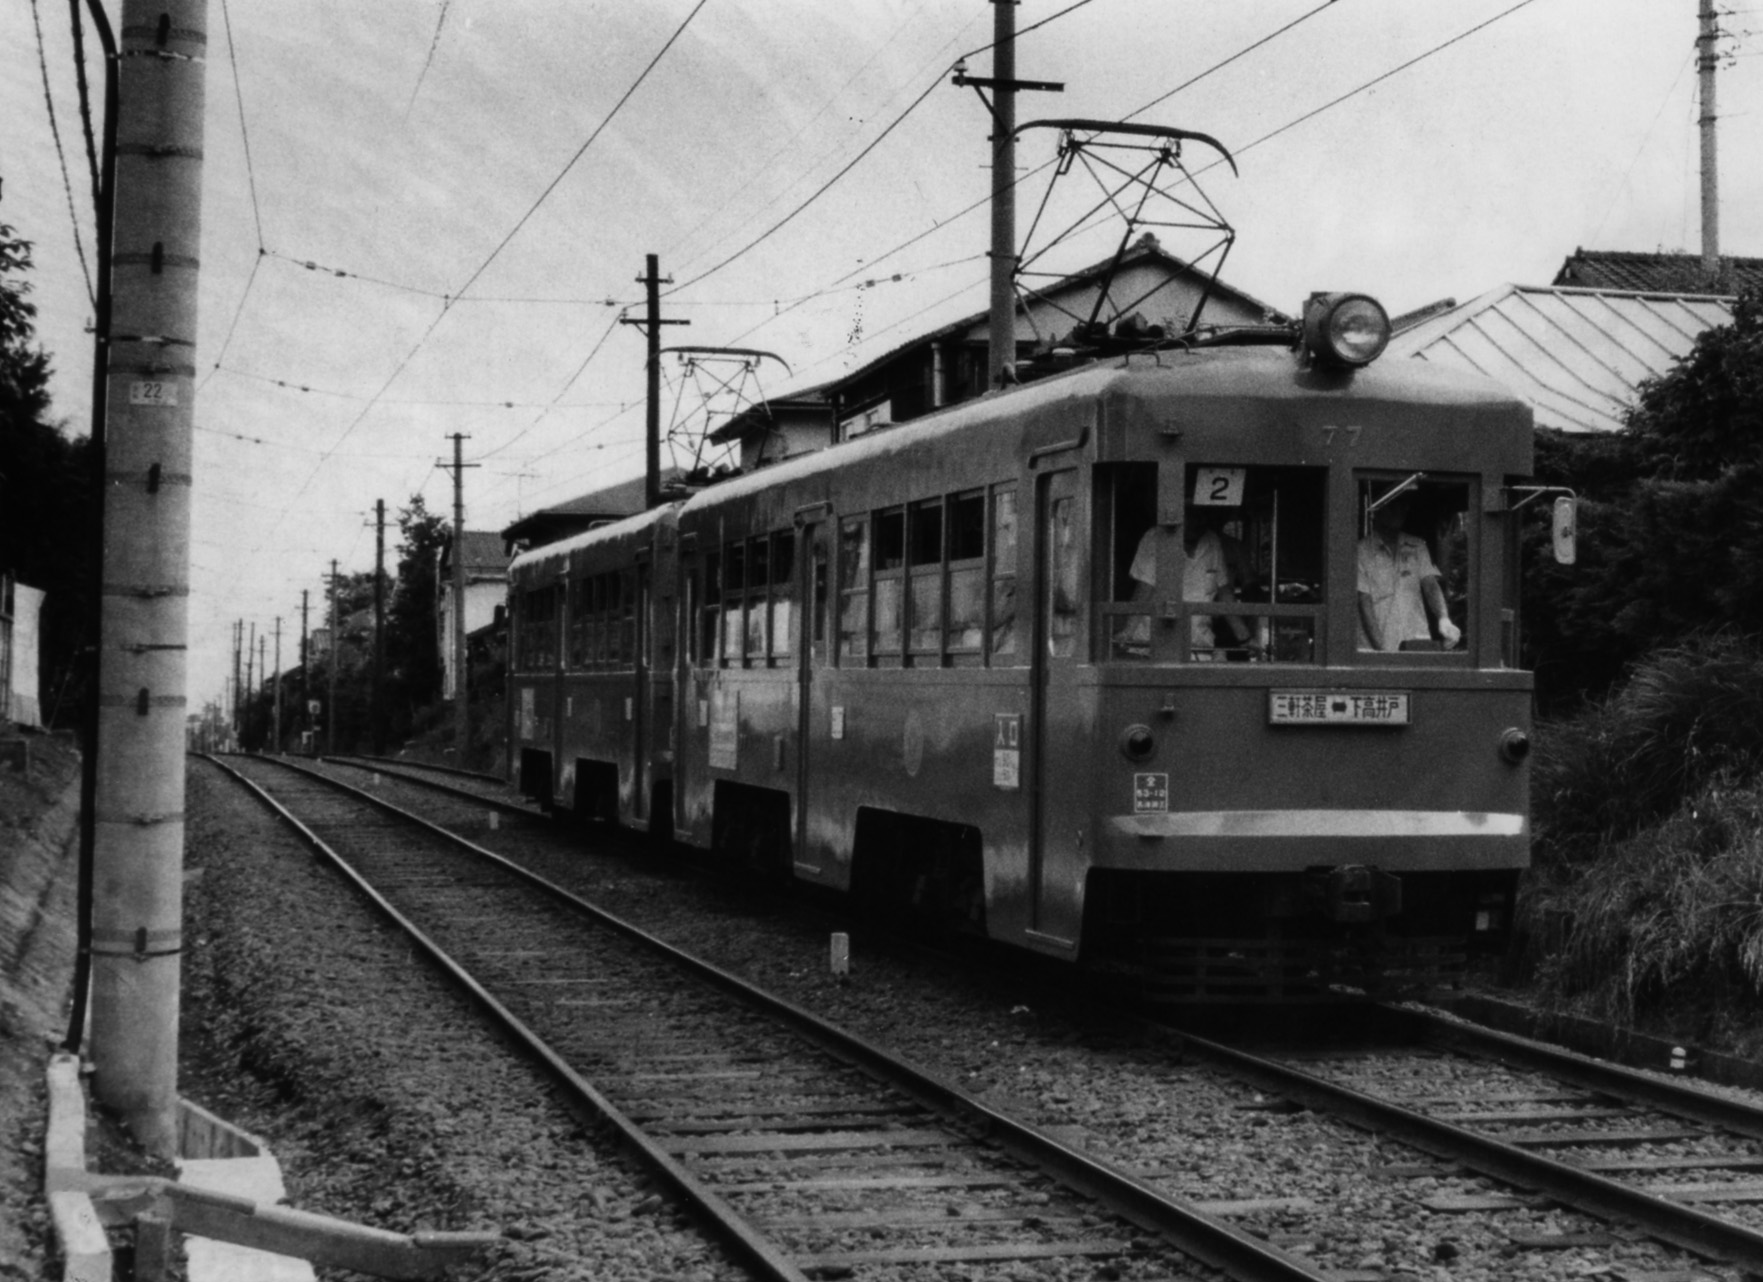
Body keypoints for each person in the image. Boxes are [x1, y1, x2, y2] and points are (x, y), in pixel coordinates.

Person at [1119, 512, 1252, 656]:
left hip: (1198, 644)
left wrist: (1245, 638)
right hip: (1150, 645)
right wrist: (1128, 632)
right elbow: (1145, 588)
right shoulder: (1155, 537)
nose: (1198, 521)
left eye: (1202, 515)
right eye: (1192, 515)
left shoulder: (1212, 541)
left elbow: (1224, 592)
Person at [1356, 492, 1461, 651]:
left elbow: (1430, 585)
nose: (1401, 510)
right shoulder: (1361, 551)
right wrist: (1384, 654)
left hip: (1415, 648)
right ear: (1377, 509)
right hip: (1375, 653)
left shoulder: (1417, 546)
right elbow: (1364, 603)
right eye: (1393, 505)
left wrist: (1444, 618)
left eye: (1404, 505)